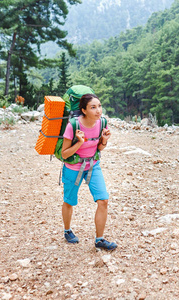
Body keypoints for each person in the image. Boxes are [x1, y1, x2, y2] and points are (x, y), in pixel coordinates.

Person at [60, 93, 117, 251]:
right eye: (93, 107)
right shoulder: (73, 125)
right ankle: (67, 230)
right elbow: (65, 154)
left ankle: (99, 239)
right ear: (84, 110)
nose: (98, 110)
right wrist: (80, 142)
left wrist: (104, 140)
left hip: (93, 165)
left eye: (99, 106)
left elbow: (99, 148)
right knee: (69, 201)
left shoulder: (102, 123)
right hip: (73, 167)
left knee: (103, 200)